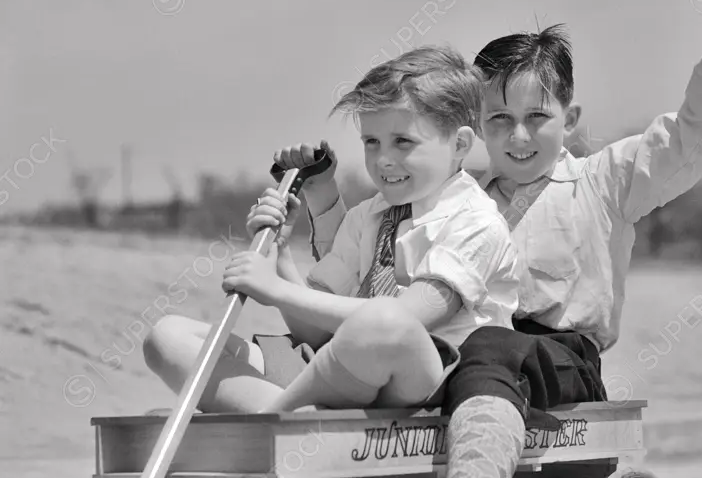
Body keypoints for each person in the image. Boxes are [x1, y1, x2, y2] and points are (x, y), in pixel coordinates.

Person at [306, 0, 702, 478]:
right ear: (472, 128)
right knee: (410, 352)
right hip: (467, 359)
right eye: (498, 120)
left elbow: (696, 137)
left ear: (569, 118)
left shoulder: (604, 180)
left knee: (491, 344)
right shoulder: (453, 203)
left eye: (535, 118)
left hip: (562, 358)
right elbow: (369, 275)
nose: (517, 138)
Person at [144, 45, 519, 416]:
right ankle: (287, 414)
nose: (383, 159)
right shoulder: (367, 216)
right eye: (371, 142)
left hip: (423, 384)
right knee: (167, 336)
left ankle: (276, 413)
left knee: (386, 320)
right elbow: (315, 335)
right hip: (335, 371)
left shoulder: (476, 221)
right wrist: (279, 255)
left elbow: (409, 318)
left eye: (403, 141)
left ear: (460, 144)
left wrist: (275, 292)